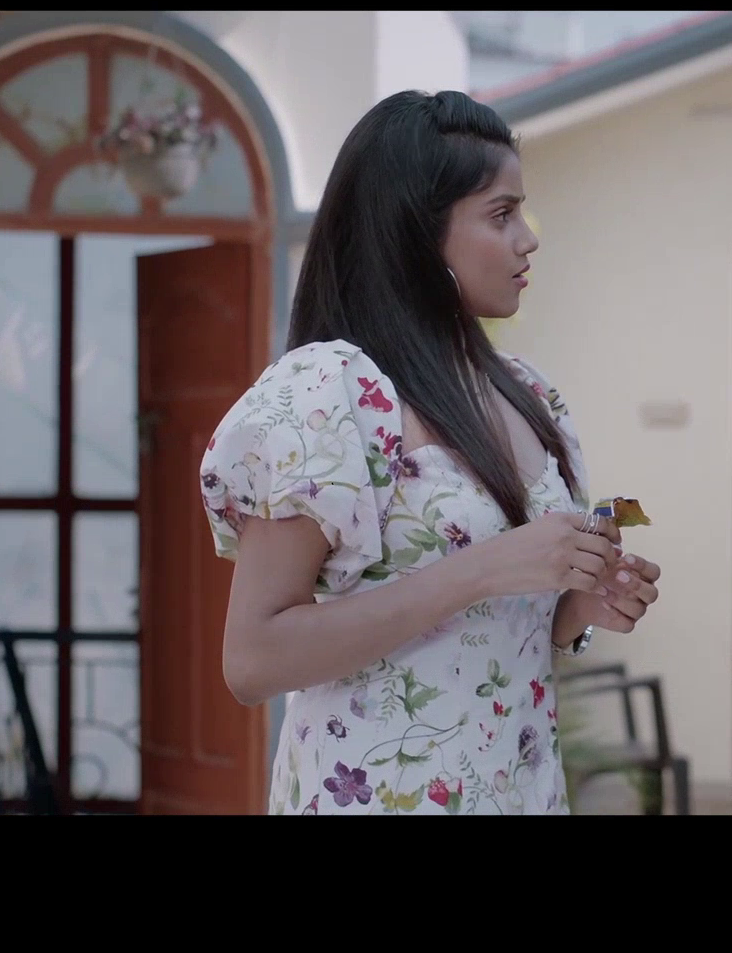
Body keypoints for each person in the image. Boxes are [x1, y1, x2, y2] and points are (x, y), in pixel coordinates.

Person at [198, 90, 663, 815]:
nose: (528, 239)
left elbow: (509, 631)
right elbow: (253, 661)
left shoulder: (529, 395)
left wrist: (582, 602)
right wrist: (485, 568)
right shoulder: (332, 392)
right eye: (501, 215)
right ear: (416, 234)